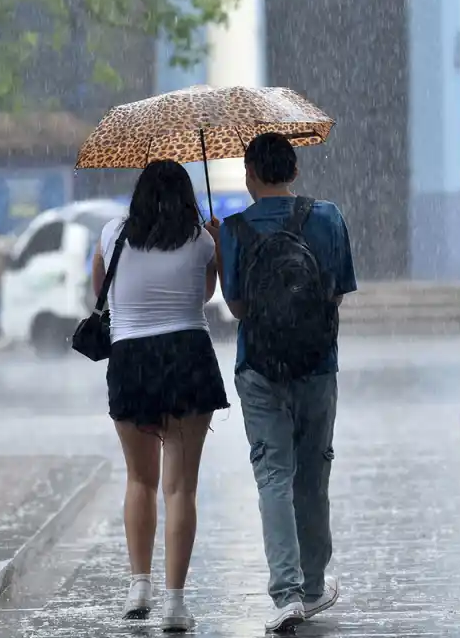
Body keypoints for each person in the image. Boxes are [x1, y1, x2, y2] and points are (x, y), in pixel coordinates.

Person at [219, 133, 356, 632]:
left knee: (273, 474)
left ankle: (286, 593)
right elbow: (337, 292)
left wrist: (224, 245)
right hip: (318, 366)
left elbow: (236, 309)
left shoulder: (233, 229)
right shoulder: (327, 217)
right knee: (313, 474)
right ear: (294, 172)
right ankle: (315, 585)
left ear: (249, 175)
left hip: (259, 368)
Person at [93, 160, 229, 632]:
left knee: (140, 480)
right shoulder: (202, 239)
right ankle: (174, 603)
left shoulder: (112, 234)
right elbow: (205, 294)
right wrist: (216, 245)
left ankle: (138, 588)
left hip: (130, 358)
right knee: (180, 488)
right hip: (187, 354)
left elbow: (102, 295)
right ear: (186, 198)